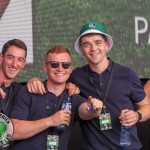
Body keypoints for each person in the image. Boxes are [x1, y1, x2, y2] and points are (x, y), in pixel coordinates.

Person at [27, 22, 150, 150]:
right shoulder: (76, 75)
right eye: (87, 44)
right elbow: (54, 79)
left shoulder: (127, 74)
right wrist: (33, 80)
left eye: (98, 42)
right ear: (81, 49)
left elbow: (147, 106)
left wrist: (137, 116)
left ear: (106, 45)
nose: (93, 48)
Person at [10, 45, 103, 150]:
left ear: (70, 69)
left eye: (65, 65)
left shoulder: (73, 96)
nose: (60, 68)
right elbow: (13, 131)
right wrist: (50, 121)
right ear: (45, 68)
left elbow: (86, 110)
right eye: (54, 64)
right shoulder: (29, 91)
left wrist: (95, 108)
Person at [0, 39, 27, 149]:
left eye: (20, 59)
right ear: (1, 57)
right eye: (10, 57)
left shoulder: (21, 91)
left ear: (24, 64)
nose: (14, 64)